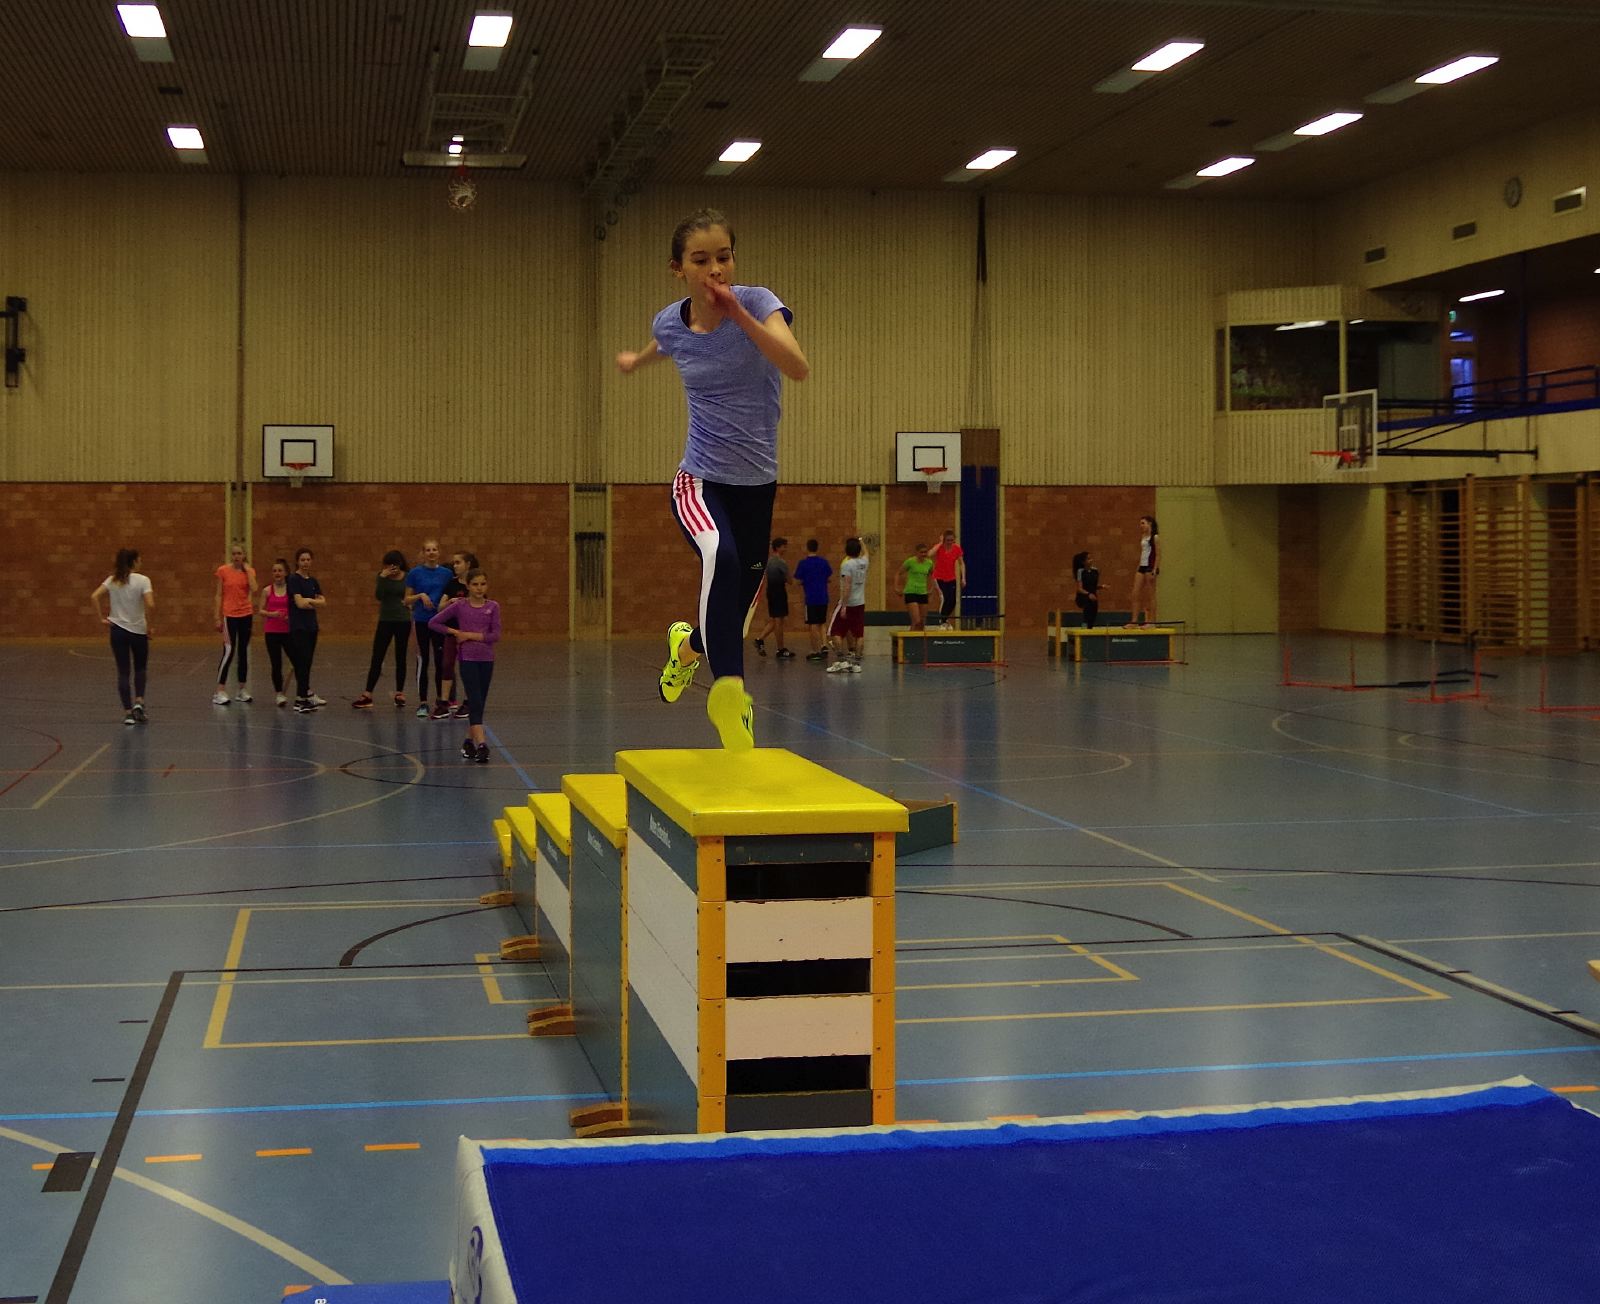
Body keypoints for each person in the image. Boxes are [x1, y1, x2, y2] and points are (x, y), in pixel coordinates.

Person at [615, 207, 809, 748]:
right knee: (718, 556)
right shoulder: (669, 321)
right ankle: (730, 696)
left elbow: (796, 366)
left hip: (758, 486)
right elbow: (667, 342)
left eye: (724, 257)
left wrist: (737, 314)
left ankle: (685, 647)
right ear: (678, 268)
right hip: (700, 479)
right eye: (701, 261)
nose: (715, 269)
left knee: (732, 614)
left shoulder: (758, 303)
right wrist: (637, 360)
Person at [430, 567, 501, 765]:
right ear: (468, 586)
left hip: (486, 660)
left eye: (483, 584)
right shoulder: (460, 606)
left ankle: (468, 742)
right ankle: (482, 745)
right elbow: (434, 623)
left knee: (480, 703)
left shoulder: (493, 607)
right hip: (468, 659)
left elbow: (495, 635)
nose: (479, 588)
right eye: (475, 584)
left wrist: (468, 635)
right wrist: (454, 632)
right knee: (475, 702)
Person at [91, 547, 153, 725]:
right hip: (138, 631)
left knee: (123, 671)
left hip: (117, 631)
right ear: (134, 562)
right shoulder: (143, 580)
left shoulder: (112, 580)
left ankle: (128, 713)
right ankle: (139, 701)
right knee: (140, 668)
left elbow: (94, 596)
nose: (141, 562)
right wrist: (149, 624)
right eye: (139, 560)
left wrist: (101, 618)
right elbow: (151, 604)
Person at [352, 550, 410, 710]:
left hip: (403, 620)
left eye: (395, 565)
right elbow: (379, 596)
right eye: (389, 565)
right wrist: (383, 578)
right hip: (385, 620)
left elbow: (409, 595)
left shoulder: (408, 577)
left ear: (400, 564)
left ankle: (400, 692)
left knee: (401, 656)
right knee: (377, 656)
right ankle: (368, 693)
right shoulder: (382, 576)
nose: (393, 568)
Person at [404, 539, 452, 719]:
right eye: (428, 550)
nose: (431, 553)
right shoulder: (415, 573)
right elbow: (406, 600)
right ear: (423, 553)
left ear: (439, 552)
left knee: (440, 661)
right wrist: (420, 595)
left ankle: (441, 700)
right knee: (423, 660)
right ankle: (423, 702)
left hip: (439, 622)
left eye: (434, 550)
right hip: (422, 621)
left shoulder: (446, 574)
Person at [434, 550, 478, 719]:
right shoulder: (451, 585)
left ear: (468, 564)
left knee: (467, 667)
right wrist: (450, 603)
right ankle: (444, 702)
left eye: (458, 562)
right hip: (452, 632)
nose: (455, 566)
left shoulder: (475, 585)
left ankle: (468, 702)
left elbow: (481, 606)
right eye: (454, 563)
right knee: (447, 665)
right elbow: (440, 607)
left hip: (468, 634)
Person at [212, 543, 257, 706]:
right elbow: (218, 594)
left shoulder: (250, 571)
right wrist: (217, 617)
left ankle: (242, 689)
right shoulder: (223, 571)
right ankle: (219, 690)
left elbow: (254, 588)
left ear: (244, 555)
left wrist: (247, 571)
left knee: (243, 651)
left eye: (239, 553)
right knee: (229, 651)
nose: (237, 556)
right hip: (229, 615)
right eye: (234, 554)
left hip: (246, 615)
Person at [286, 546, 326, 713]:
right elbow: (299, 603)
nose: (305, 562)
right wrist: (312, 602)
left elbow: (323, 602)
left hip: (311, 627)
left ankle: (305, 695)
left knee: (307, 662)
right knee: (301, 662)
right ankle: (299, 699)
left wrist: (309, 601)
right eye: (302, 560)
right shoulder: (293, 579)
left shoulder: (313, 581)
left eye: (308, 560)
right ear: (297, 561)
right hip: (299, 627)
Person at [826, 535, 868, 674]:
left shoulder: (847, 565)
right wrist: (861, 541)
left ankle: (841, 661)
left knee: (834, 632)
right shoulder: (864, 562)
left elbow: (847, 586)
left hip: (848, 603)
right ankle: (856, 664)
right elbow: (866, 553)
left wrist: (844, 605)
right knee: (859, 634)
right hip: (860, 602)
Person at [753, 537, 795, 660]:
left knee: (775, 619)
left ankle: (760, 639)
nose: (785, 549)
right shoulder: (781, 562)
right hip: (779, 592)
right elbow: (790, 580)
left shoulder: (769, 561)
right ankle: (780, 648)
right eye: (784, 546)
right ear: (778, 547)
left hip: (771, 592)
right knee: (779, 622)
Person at [793, 538, 834, 662]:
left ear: (807, 548)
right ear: (817, 548)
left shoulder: (803, 563)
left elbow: (797, 580)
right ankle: (824, 645)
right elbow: (828, 578)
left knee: (812, 624)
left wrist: (805, 582)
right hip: (823, 597)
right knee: (822, 622)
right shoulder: (824, 562)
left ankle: (815, 650)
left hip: (811, 598)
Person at [260, 559, 292, 707]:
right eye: (274, 571)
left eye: (280, 570)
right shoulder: (267, 590)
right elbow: (261, 611)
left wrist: (290, 617)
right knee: (276, 663)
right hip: (272, 632)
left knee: (298, 661)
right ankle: (279, 693)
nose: (277, 573)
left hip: (288, 631)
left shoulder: (291, 590)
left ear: (285, 573)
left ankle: (305, 691)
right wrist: (272, 614)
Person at [931, 528, 966, 626]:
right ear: (944, 540)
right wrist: (940, 543)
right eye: (947, 540)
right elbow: (930, 553)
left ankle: (944, 619)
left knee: (953, 600)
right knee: (945, 598)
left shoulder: (957, 549)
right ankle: (942, 621)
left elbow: (961, 563)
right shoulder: (940, 547)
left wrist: (963, 578)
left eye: (952, 540)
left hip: (951, 578)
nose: (950, 542)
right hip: (939, 577)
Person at [897, 542, 935, 632]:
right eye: (921, 552)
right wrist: (896, 587)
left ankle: (918, 639)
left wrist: (932, 588)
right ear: (917, 552)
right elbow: (898, 573)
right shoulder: (910, 562)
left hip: (923, 592)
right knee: (916, 621)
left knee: (922, 622)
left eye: (925, 552)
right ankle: (911, 639)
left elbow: (933, 576)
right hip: (911, 592)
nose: (923, 554)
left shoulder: (929, 563)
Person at [1131, 515, 1160, 627]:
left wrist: (1154, 570)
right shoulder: (1143, 536)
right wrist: (1138, 567)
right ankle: (1134, 621)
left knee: (1150, 595)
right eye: (1140, 524)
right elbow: (1143, 553)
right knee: (1135, 593)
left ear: (1150, 524)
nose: (1141, 526)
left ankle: (1151, 621)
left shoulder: (1155, 537)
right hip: (1142, 566)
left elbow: (1158, 555)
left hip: (1150, 566)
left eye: (1143, 523)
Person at [1072, 550, 1102, 630]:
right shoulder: (1080, 571)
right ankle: (1083, 629)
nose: (1091, 560)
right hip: (1084, 596)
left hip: (1093, 596)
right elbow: (1079, 589)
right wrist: (1088, 594)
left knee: (1093, 614)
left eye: (1091, 558)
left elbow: (1093, 586)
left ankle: (1090, 629)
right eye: (1088, 559)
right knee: (1086, 614)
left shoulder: (1095, 571)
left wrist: (1102, 587)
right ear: (1083, 562)